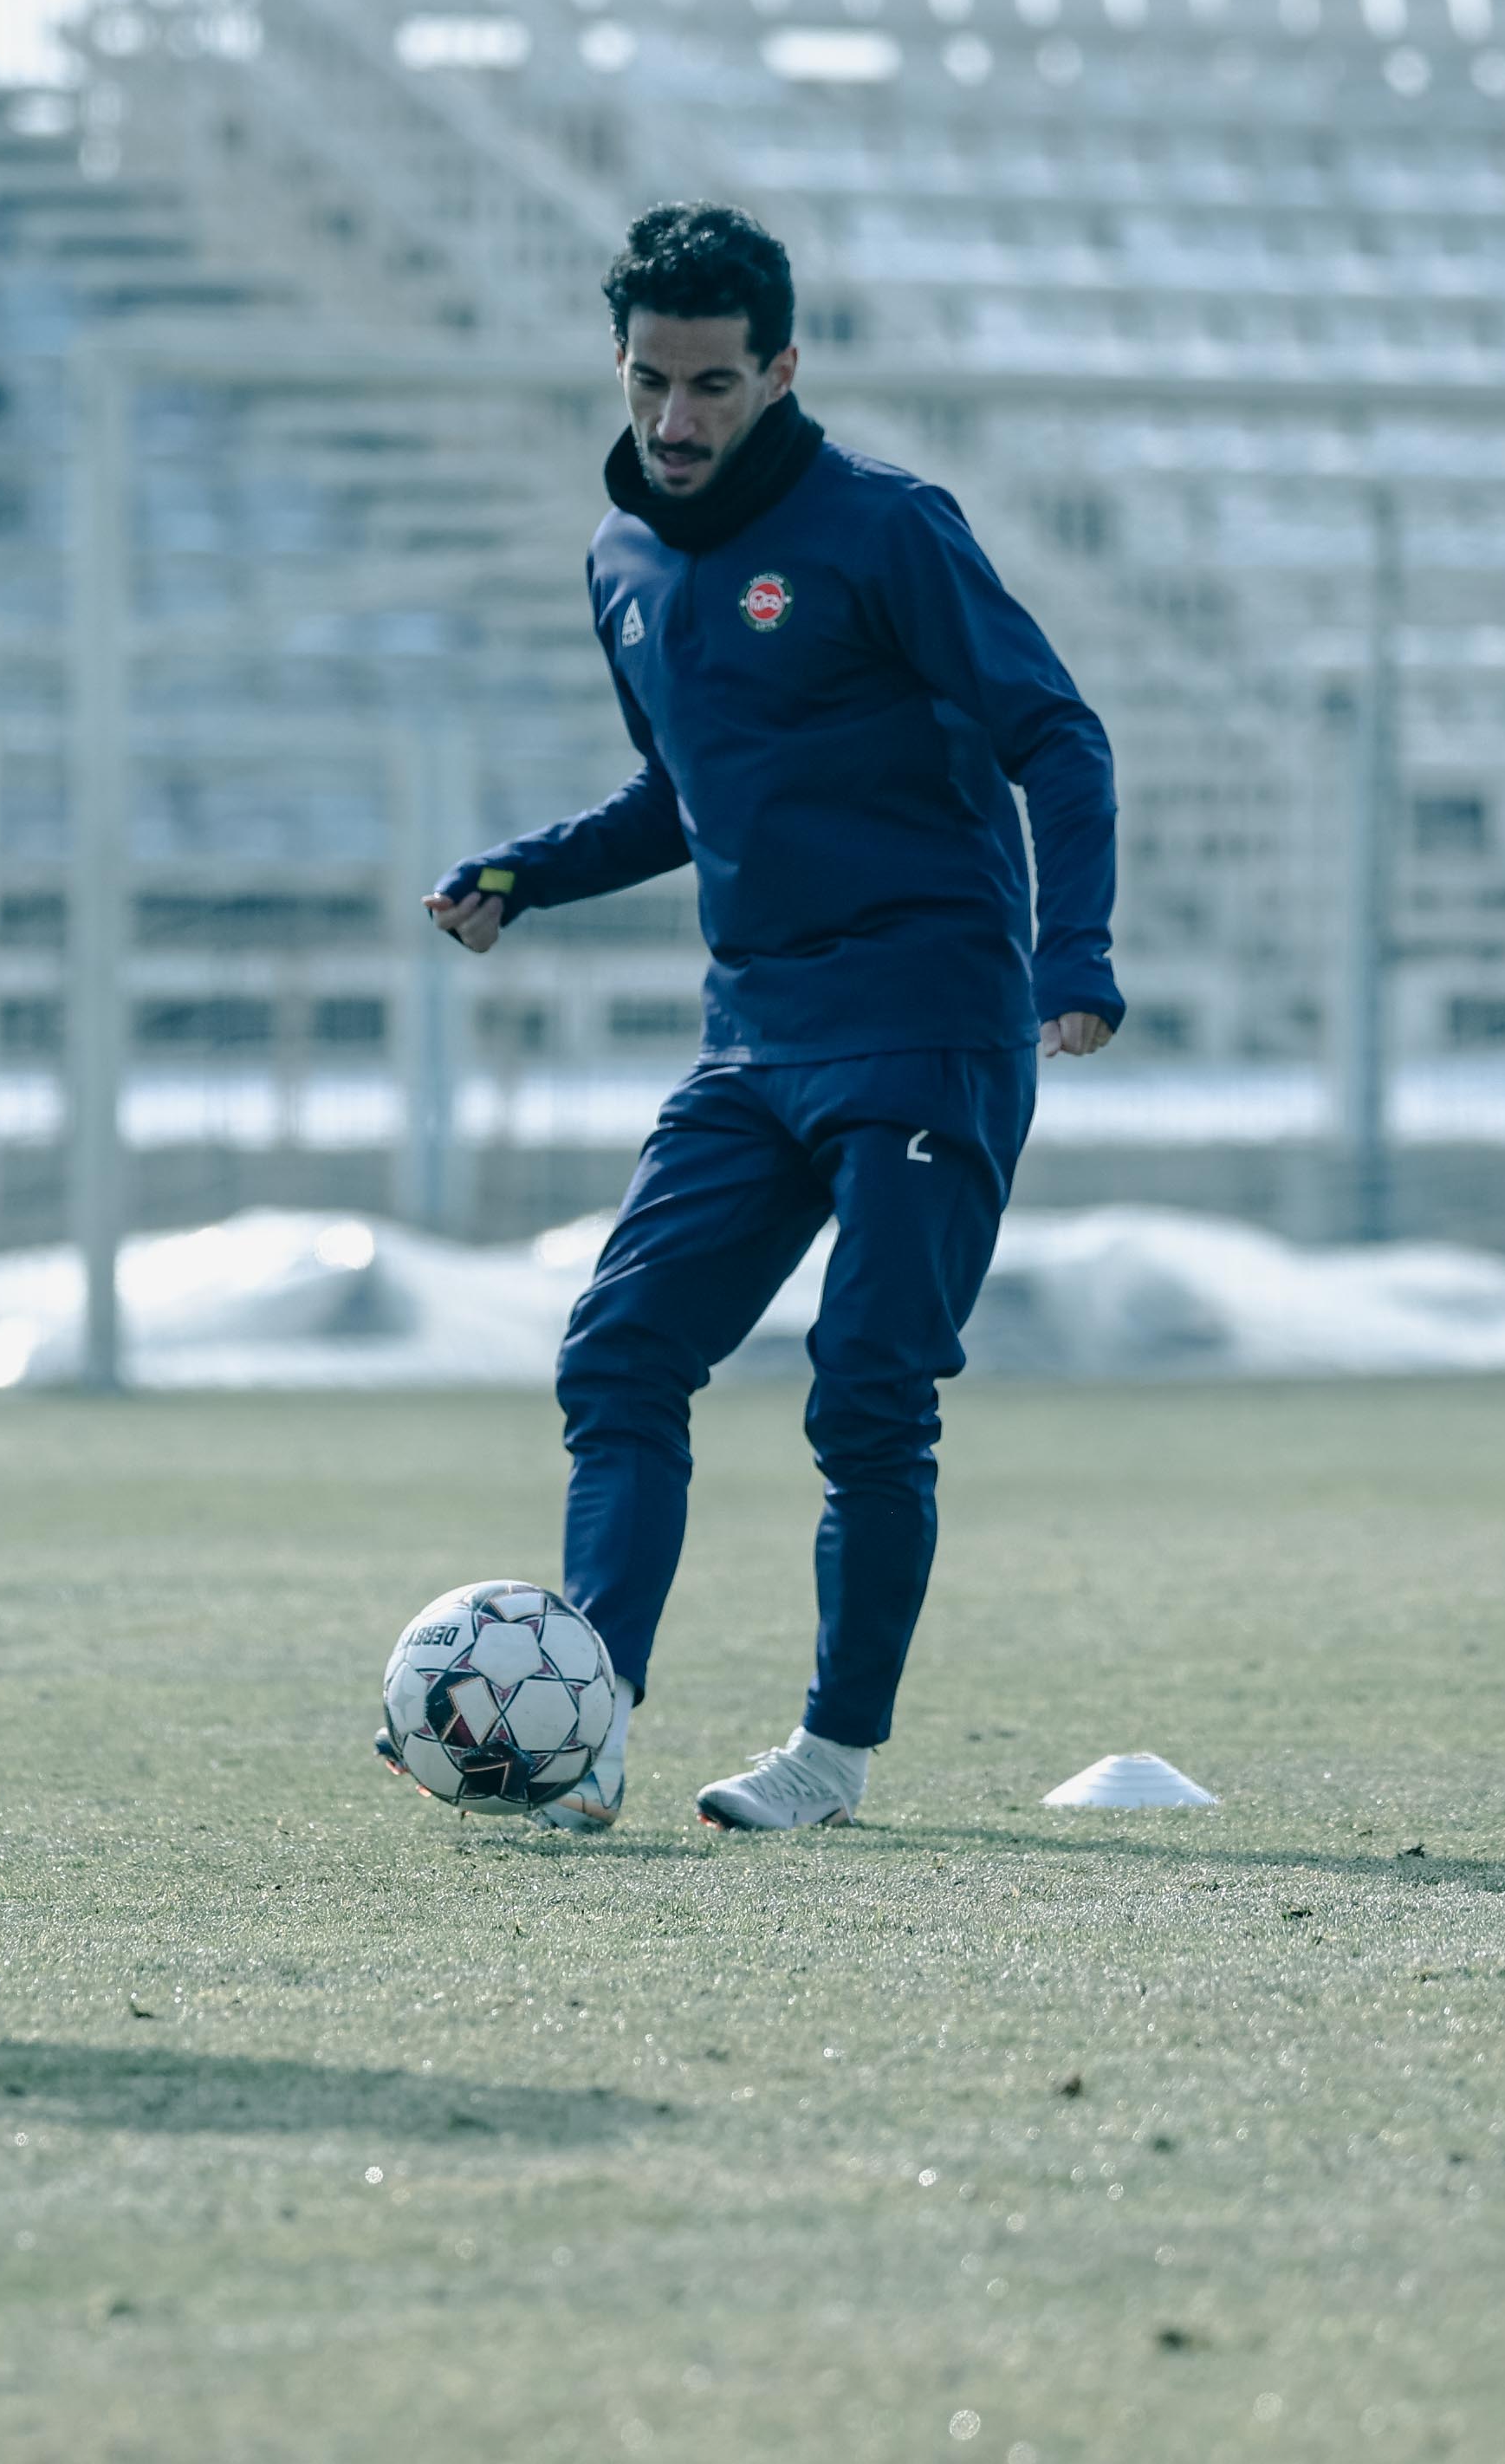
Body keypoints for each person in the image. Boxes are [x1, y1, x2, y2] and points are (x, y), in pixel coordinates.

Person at [422, 203, 1120, 1835]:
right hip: (754, 1039)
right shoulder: (619, 559)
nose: (674, 420)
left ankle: (832, 1759)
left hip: (930, 1022)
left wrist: (1073, 955)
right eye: (649, 380)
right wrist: (529, 873)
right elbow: (684, 795)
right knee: (620, 1353)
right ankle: (589, 1728)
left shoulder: (887, 527)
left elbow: (1060, 737)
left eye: (713, 385)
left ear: (783, 370)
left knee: (866, 1388)